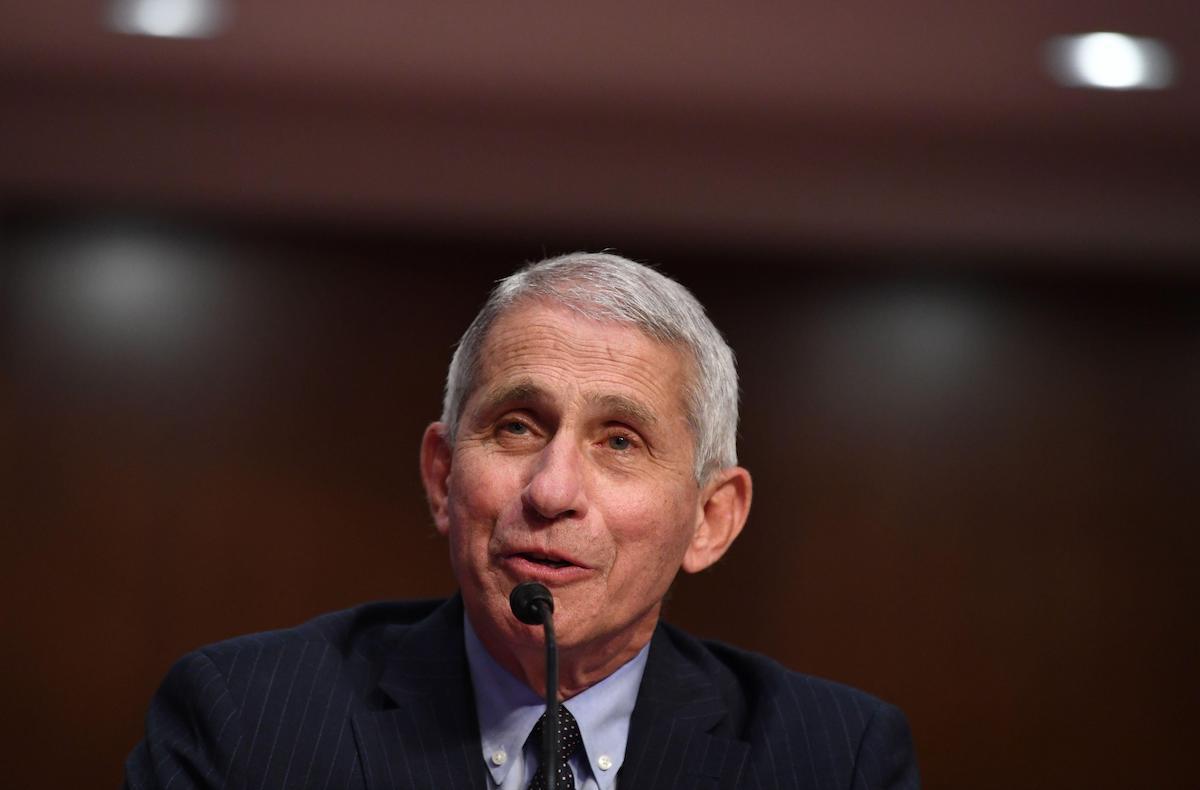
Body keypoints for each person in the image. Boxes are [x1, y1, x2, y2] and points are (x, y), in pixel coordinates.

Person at [124, 252, 919, 789]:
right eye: (517, 426)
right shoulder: (246, 721)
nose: (552, 490)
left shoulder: (832, 758)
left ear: (711, 519)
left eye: (620, 441)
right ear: (442, 477)